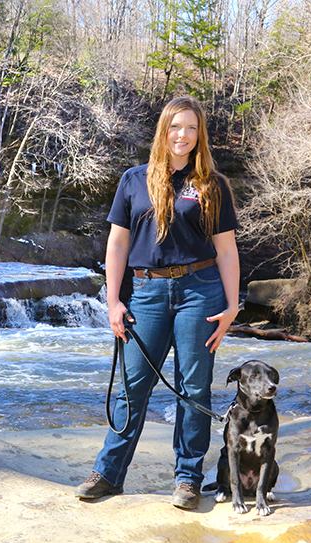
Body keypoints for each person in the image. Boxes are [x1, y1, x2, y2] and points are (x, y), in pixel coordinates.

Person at [74, 96, 240, 510]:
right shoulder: (134, 180)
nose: (182, 135)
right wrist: (113, 300)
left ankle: (188, 480)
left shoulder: (212, 185)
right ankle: (109, 474)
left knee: (194, 387)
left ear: (199, 134)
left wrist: (232, 306)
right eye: (175, 127)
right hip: (145, 293)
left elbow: (227, 251)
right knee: (132, 386)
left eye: (191, 128)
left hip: (200, 292)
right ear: (163, 131)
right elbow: (117, 243)